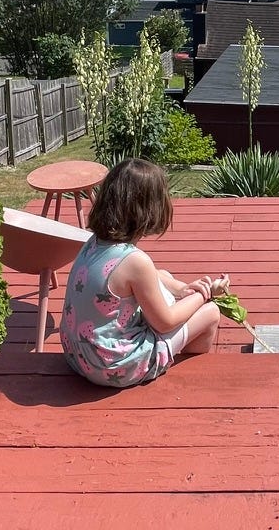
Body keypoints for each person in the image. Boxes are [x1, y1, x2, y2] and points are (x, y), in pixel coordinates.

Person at [60, 157, 222, 387]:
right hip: (115, 366)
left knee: (163, 274)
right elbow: (164, 323)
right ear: (150, 208)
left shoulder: (94, 243)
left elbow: (149, 277)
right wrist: (203, 295)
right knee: (210, 313)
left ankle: (173, 342)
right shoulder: (136, 262)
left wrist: (182, 289)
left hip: (78, 356)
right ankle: (179, 362)